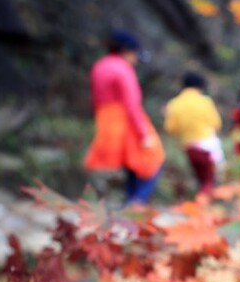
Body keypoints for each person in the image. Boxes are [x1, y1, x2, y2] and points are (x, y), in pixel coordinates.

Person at [84, 29, 165, 205]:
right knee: (153, 161)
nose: (135, 60)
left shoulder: (99, 66)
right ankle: (135, 205)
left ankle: (128, 205)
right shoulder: (123, 69)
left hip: (106, 123)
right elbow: (132, 103)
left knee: (132, 166)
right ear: (127, 51)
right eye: (135, 55)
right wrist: (144, 135)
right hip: (126, 123)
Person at [164, 72, 224, 195]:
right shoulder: (205, 101)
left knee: (201, 177)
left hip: (189, 147)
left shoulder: (175, 103)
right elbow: (217, 124)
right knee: (210, 178)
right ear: (200, 87)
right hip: (207, 145)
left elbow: (170, 129)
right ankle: (206, 202)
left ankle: (202, 201)